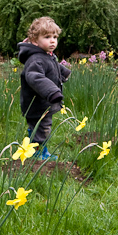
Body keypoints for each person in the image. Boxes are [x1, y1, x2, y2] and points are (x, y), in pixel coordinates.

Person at [18, 16, 71, 160]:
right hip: (37, 104)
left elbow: (52, 67)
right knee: (41, 129)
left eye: (55, 37)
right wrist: (52, 92)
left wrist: (63, 72)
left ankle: (41, 151)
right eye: (47, 37)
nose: (52, 40)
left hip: (44, 103)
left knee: (42, 127)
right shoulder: (36, 59)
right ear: (35, 41)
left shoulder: (46, 56)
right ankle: (37, 154)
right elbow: (35, 77)